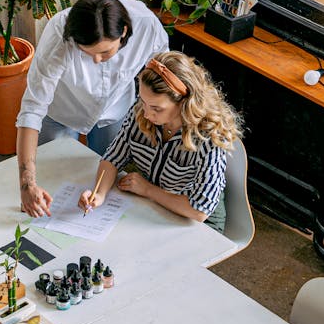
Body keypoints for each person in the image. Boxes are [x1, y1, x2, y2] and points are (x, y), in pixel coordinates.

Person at [16, 0, 168, 217]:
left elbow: (163, 76)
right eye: (88, 53)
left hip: (114, 112)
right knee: (52, 183)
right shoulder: (58, 35)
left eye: (105, 52)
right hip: (61, 112)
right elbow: (32, 109)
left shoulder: (147, 26)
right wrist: (26, 185)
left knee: (101, 185)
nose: (97, 59)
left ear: (124, 31)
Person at [78, 51, 241, 231]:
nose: (146, 114)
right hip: (158, 206)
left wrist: (148, 190)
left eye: (156, 108)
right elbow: (113, 158)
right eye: (143, 101)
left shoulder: (209, 137)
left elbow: (199, 211)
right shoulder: (141, 112)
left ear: (184, 102)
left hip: (197, 221)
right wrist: (99, 194)